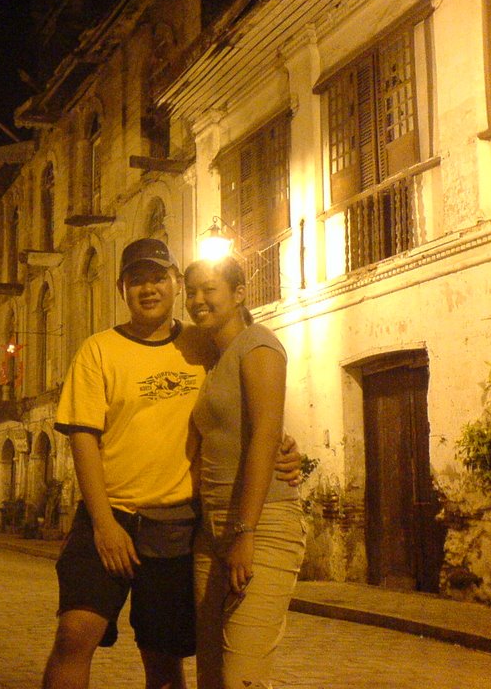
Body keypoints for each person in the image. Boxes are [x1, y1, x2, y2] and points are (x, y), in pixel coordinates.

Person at [42, 238, 300, 689]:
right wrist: (104, 524)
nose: (148, 288)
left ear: (175, 284)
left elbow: (250, 415)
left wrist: (289, 448)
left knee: (162, 656)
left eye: (158, 277)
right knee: (74, 633)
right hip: (111, 516)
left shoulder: (204, 344)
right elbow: (83, 439)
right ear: (121, 288)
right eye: (136, 280)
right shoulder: (97, 350)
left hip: (178, 524)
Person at [184, 257, 306, 689]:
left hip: (261, 524)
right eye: (192, 290)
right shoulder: (213, 360)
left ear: (238, 295)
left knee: (242, 676)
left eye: (209, 289)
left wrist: (245, 531)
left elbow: (265, 434)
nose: (198, 299)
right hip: (211, 531)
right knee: (211, 675)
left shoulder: (258, 344)